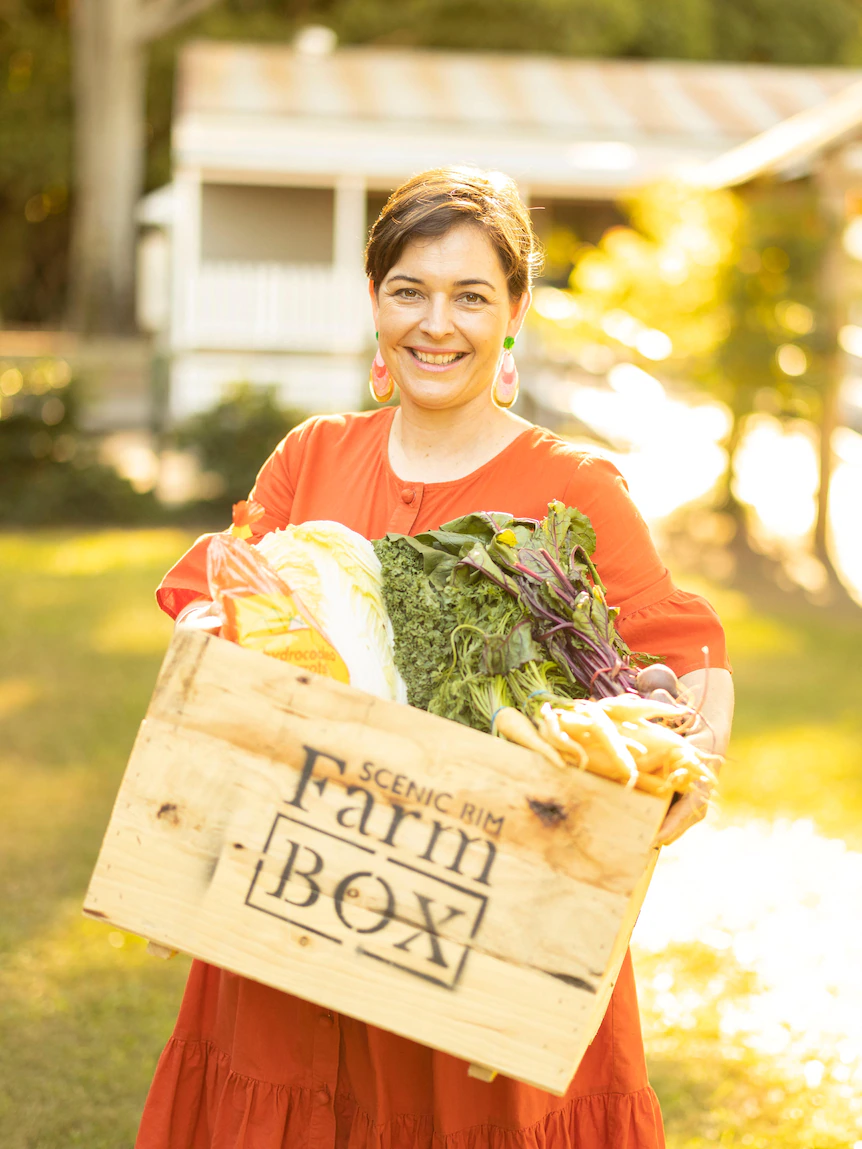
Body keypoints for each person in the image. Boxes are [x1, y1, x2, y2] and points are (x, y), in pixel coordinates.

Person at [137, 166, 734, 1149]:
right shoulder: (313, 458)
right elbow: (228, 596)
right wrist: (206, 645)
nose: (435, 324)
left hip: (484, 929)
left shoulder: (570, 485)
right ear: (374, 301)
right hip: (297, 908)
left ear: (513, 314)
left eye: (469, 296)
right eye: (408, 291)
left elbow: (679, 643)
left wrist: (691, 758)